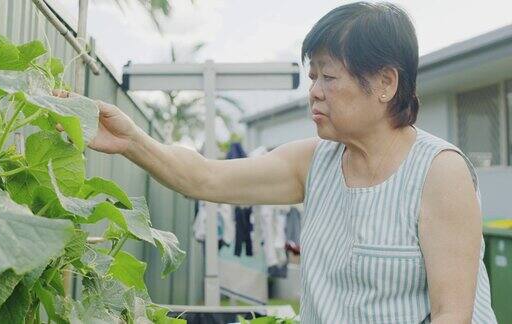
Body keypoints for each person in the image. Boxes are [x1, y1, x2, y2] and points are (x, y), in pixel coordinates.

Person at [56, 2, 496, 323]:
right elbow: (205, 177)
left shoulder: (440, 173)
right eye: (312, 77)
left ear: (385, 83)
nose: (315, 91)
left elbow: (451, 316)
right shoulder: (315, 162)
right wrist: (131, 140)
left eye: (329, 76)